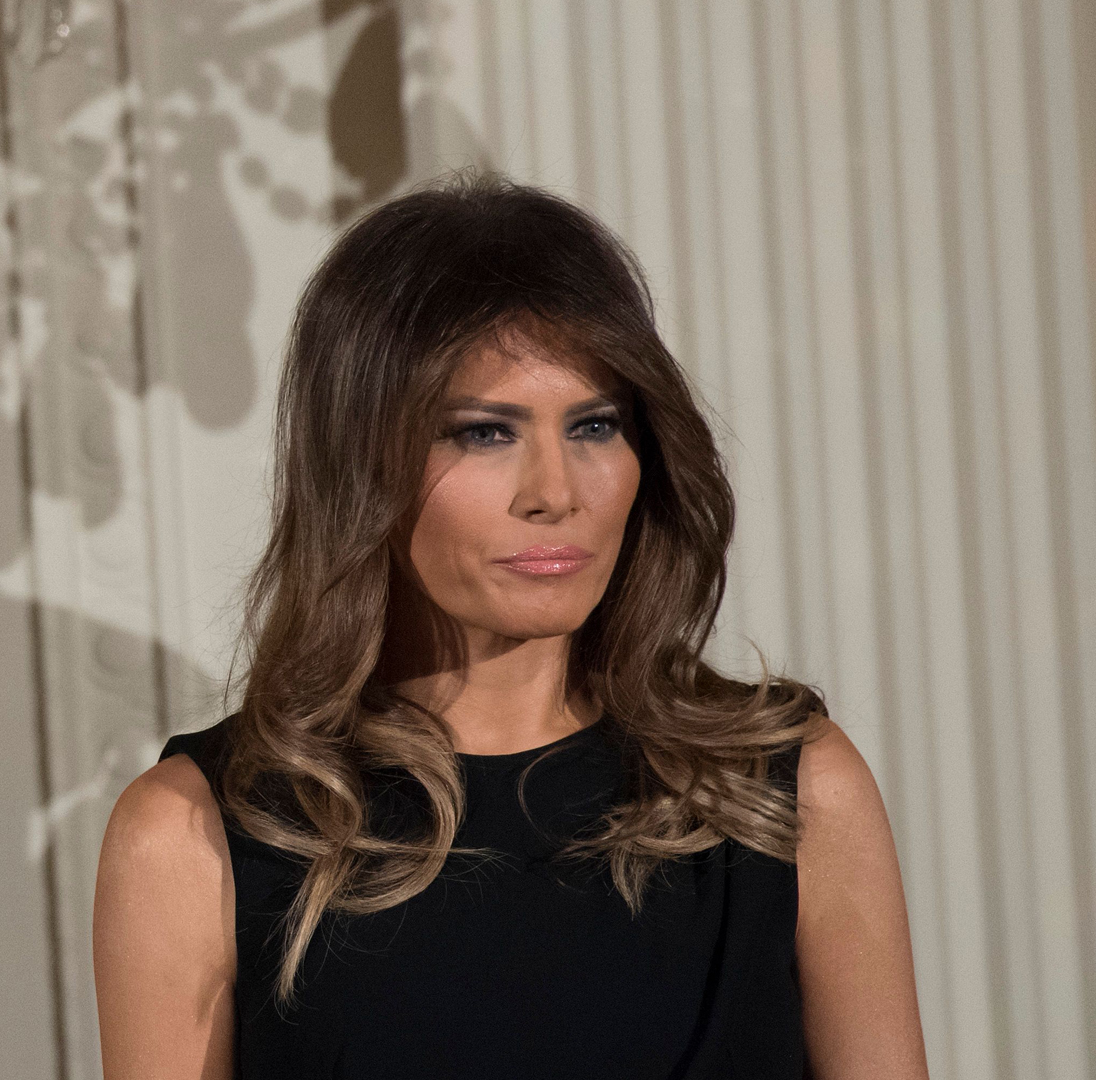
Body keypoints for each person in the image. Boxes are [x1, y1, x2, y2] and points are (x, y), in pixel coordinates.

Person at [91, 173, 928, 1079]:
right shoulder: (192, 838)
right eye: (485, 433)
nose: (556, 493)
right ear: (360, 460)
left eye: (596, 425)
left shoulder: (788, 795)